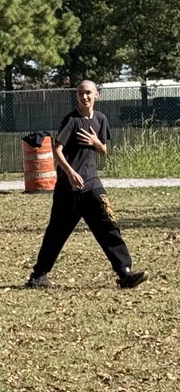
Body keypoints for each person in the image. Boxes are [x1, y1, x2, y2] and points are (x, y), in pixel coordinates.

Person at [26, 79, 148, 290]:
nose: (84, 97)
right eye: (81, 93)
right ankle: (38, 276)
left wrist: (96, 143)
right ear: (77, 96)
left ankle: (125, 273)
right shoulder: (71, 120)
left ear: (96, 95)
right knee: (57, 232)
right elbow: (57, 150)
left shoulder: (101, 119)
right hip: (69, 189)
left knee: (109, 226)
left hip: (92, 184)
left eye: (88, 93)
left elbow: (104, 150)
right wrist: (70, 172)